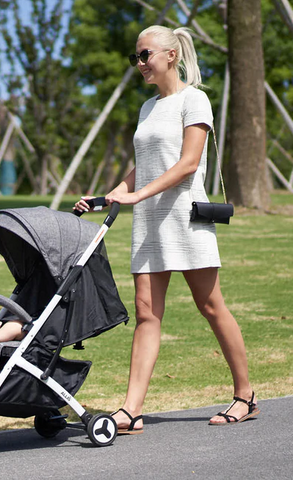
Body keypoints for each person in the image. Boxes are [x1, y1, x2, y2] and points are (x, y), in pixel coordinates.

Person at [75, 25, 259, 433]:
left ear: (171, 56)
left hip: (185, 219)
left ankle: (245, 395)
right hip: (150, 225)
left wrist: (138, 197)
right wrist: (110, 195)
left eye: (145, 55)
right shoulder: (147, 108)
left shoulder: (195, 100)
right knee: (146, 314)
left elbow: (188, 164)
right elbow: (145, 166)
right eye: (135, 57)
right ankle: (131, 409)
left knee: (211, 306)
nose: (139, 63)